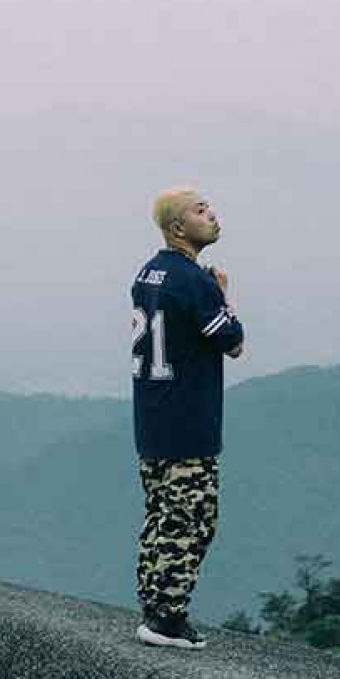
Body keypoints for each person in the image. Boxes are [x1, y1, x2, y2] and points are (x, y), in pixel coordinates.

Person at [130, 187, 245, 649]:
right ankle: (167, 619)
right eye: (200, 210)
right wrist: (223, 297)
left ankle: (152, 605)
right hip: (188, 423)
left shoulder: (148, 274)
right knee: (192, 520)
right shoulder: (194, 281)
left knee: (160, 515)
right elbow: (233, 342)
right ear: (178, 227)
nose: (212, 215)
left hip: (152, 419)